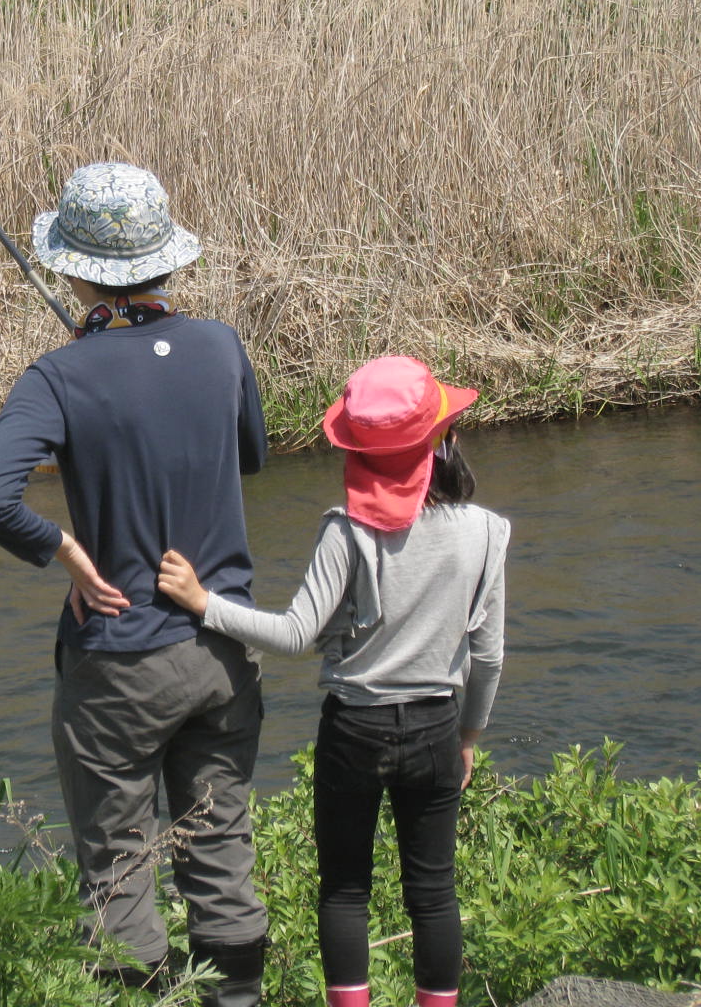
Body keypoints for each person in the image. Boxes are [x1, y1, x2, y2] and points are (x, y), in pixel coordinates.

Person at [0, 162, 271, 1006]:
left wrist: (64, 549)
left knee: (120, 872)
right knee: (221, 855)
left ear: (73, 270)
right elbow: (250, 455)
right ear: (165, 260)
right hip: (221, 649)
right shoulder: (221, 346)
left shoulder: (58, 376)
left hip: (118, 668)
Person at [157, 354, 508, 1007]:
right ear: (439, 439)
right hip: (436, 724)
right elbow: (487, 657)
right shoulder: (486, 532)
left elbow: (295, 634)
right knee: (433, 891)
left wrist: (204, 603)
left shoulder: (345, 531)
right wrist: (467, 738)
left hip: (355, 729)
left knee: (346, 888)